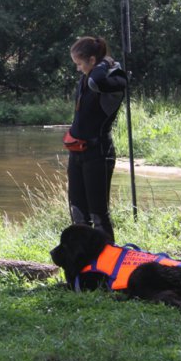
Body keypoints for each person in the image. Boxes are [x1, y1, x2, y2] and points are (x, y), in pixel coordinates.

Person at [64, 36, 127, 243]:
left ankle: (106, 265)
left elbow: (96, 82)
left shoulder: (114, 79)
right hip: (78, 154)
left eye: (80, 63)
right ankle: (82, 265)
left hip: (99, 154)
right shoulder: (87, 77)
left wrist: (106, 63)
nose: (78, 69)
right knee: (78, 214)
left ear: (93, 60)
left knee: (98, 214)